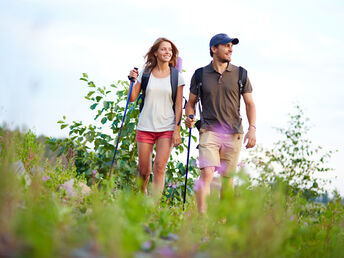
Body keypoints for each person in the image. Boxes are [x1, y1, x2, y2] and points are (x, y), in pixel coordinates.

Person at [185, 33, 256, 214]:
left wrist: (252, 129)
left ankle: (223, 221)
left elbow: (249, 103)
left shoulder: (241, 74)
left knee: (227, 179)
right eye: (226, 45)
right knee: (207, 171)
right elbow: (191, 103)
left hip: (234, 133)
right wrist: (189, 116)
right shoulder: (200, 75)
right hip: (209, 130)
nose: (230, 48)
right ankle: (202, 219)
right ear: (214, 49)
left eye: (231, 46)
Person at [128, 37, 185, 195]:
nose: (168, 52)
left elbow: (179, 105)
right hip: (145, 126)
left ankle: (154, 207)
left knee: (159, 167)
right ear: (155, 52)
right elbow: (132, 98)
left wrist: (177, 130)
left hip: (166, 127)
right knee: (144, 171)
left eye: (170, 50)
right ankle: (142, 195)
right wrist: (131, 80)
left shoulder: (176, 76)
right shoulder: (145, 74)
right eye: (164, 49)